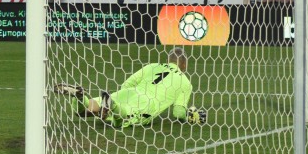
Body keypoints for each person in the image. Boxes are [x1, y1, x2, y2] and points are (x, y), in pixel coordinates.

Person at [53, 47, 207, 127]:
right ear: (184, 64)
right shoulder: (185, 82)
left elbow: (128, 83)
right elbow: (178, 112)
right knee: (122, 120)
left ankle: (80, 96)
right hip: (147, 104)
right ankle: (112, 106)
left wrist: (125, 93)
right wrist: (190, 116)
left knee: (84, 111)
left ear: (168, 60)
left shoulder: (153, 66)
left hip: (129, 92)